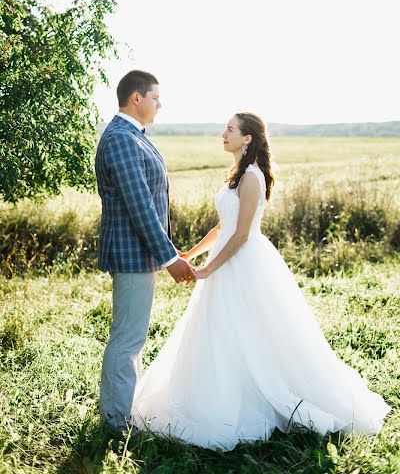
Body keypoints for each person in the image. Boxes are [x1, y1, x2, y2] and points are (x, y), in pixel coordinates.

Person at [132, 112, 391, 451]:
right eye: (225, 129)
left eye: (230, 129)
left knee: (256, 331)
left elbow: (240, 236)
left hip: (245, 264)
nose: (223, 134)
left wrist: (210, 270)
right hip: (225, 260)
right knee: (220, 331)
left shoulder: (252, 177)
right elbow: (221, 228)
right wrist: (190, 255)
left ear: (247, 138)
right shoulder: (235, 175)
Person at [95, 70, 195, 432]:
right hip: (131, 254)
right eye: (155, 97)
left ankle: (121, 412)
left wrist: (166, 249)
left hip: (139, 253)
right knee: (127, 339)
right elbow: (140, 206)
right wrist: (169, 257)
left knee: (132, 337)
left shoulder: (133, 136)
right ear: (136, 98)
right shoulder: (122, 139)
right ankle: (115, 424)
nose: (159, 104)